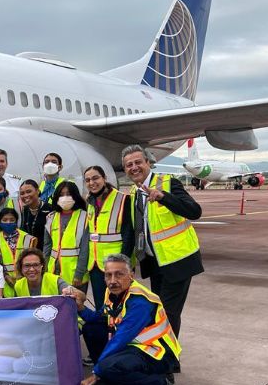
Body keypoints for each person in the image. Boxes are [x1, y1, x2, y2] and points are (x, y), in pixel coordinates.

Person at [79, 254, 180, 385]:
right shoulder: (113, 292)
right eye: (108, 275)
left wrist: (96, 373)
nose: (112, 280)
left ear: (131, 275)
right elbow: (101, 319)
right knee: (92, 328)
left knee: (108, 366)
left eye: (119, 274)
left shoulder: (140, 301)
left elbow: (121, 338)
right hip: (133, 347)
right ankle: (114, 381)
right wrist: (80, 307)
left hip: (156, 354)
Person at [122, 145, 203, 340]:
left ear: (148, 163)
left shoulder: (168, 183)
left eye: (138, 162)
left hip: (178, 260)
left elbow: (194, 211)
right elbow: (135, 231)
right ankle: (164, 353)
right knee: (160, 310)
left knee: (168, 312)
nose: (134, 167)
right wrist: (127, 263)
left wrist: (163, 197)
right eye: (129, 165)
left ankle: (169, 360)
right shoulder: (134, 193)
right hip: (155, 263)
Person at [82, 165, 134, 313]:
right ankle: (104, 334)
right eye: (88, 180)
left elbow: (129, 234)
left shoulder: (122, 199)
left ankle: (119, 335)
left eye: (95, 178)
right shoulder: (90, 202)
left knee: (120, 303)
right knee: (101, 304)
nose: (92, 182)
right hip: (96, 264)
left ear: (104, 178)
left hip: (117, 264)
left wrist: (123, 263)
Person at [44, 181, 89, 292]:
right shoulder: (51, 217)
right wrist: (44, 269)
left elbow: (85, 249)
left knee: (75, 306)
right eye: (61, 194)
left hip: (75, 274)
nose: (65, 197)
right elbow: (47, 247)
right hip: (53, 272)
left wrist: (79, 274)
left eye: (68, 194)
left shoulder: (85, 217)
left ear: (75, 196)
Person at [0, 208, 37, 297]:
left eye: (12, 220)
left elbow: (34, 260)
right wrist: (7, 277)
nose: (8, 222)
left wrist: (22, 276)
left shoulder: (28, 239)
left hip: (27, 280)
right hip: (5, 284)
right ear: (0, 222)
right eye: (5, 220)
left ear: (16, 221)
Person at [18, 178, 53, 251]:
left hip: (47, 253)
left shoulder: (51, 209)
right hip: (29, 253)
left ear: (37, 191)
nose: (25, 195)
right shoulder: (22, 211)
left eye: (29, 191)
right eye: (22, 193)